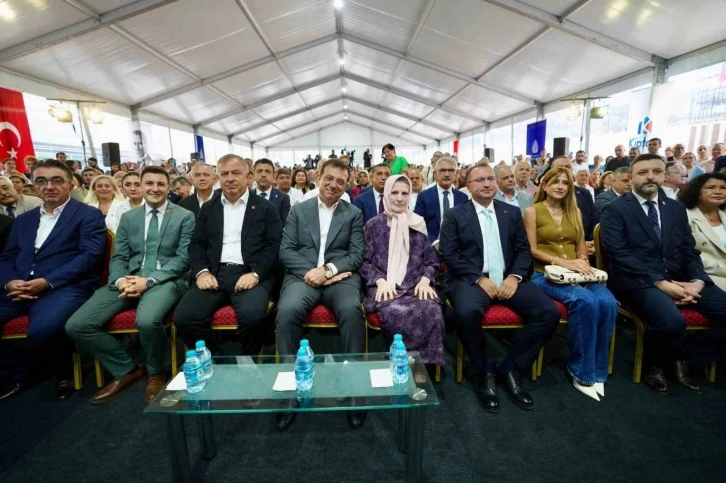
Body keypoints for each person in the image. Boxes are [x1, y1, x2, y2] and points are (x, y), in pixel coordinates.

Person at [66, 167, 195, 404]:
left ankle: (156, 371)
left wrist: (149, 280)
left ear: (168, 187)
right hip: (128, 278)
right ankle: (127, 369)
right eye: (149, 183)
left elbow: (183, 259)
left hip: (166, 279)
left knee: (146, 320)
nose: (155, 188)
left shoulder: (184, 216)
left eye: (160, 184)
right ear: (140, 186)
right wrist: (120, 280)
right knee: (77, 325)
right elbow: (119, 257)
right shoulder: (129, 217)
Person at [600, 154, 726, 395]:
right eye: (643, 172)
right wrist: (660, 283)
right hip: (638, 280)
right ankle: (654, 364)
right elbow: (619, 255)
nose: (650, 177)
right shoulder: (615, 209)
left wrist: (698, 281)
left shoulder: (675, 208)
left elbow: (689, 250)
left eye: (656, 172)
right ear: (631, 177)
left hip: (682, 278)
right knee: (672, 322)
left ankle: (684, 356)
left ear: (664, 176)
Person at [440, 164, 560, 413]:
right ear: (468, 186)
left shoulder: (511, 212)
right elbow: (450, 255)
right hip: (471, 279)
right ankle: (484, 371)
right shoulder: (454, 215)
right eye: (479, 180)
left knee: (549, 312)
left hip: (508, 278)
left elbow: (523, 250)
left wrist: (514, 277)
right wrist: (479, 279)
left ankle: (510, 368)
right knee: (466, 313)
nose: (486, 183)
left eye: (490, 178)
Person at [0, 160, 107, 401]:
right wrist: (10, 282)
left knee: (43, 328)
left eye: (57, 180)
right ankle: (16, 374)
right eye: (41, 181)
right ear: (33, 185)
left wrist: (47, 281)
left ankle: (63, 371)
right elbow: (7, 257)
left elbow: (89, 256)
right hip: (19, 286)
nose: (49, 186)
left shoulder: (88, 215)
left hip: (64, 286)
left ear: (70, 185)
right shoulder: (24, 220)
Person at [276, 157, 366, 431]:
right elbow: (286, 251)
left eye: (340, 181)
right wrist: (313, 273)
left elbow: (356, 254)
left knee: (352, 310)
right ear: (318, 177)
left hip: (340, 278)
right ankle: (292, 388)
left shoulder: (353, 214)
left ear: (347, 185)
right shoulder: (299, 210)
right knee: (287, 311)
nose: (334, 185)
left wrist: (327, 271)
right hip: (302, 276)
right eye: (329, 178)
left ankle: (353, 389)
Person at [174, 155, 282, 357]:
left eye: (236, 173)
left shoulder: (266, 208)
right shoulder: (209, 208)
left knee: (252, 317)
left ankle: (246, 362)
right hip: (214, 273)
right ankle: (216, 360)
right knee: (184, 318)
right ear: (218, 178)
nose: (230, 178)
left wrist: (256, 274)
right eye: (224, 174)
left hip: (251, 273)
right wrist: (202, 272)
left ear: (248, 177)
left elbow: (274, 246)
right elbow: (197, 245)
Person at [523, 167, 617, 401]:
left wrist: (583, 260)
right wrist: (564, 263)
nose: (560, 186)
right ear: (544, 185)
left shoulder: (574, 211)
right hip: (544, 274)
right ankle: (581, 371)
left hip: (577, 272)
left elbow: (580, 245)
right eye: (555, 182)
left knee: (608, 302)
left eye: (565, 183)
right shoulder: (532, 211)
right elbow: (531, 250)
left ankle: (597, 371)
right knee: (585, 301)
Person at [360, 175, 444, 371]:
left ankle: (421, 366)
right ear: (386, 194)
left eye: (404, 193)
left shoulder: (418, 223)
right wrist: (379, 281)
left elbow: (432, 260)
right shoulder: (373, 225)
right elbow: (364, 262)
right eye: (394, 193)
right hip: (385, 286)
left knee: (432, 310)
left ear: (410, 196)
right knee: (394, 311)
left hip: (415, 285)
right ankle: (400, 362)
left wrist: (425, 280)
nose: (399, 198)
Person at [679, 173, 726, 291]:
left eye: (723, 188)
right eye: (711, 187)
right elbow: (686, 255)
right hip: (704, 274)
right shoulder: (683, 215)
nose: (718, 192)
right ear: (696, 192)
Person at [414, 157, 468, 249]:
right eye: (442, 170)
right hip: (431, 247)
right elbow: (417, 224)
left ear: (456, 175)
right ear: (435, 174)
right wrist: (434, 242)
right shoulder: (424, 196)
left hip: (457, 248)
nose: (447, 174)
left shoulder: (462, 197)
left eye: (451, 170)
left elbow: (465, 226)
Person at [549, 157, 598, 254]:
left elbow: (593, 219)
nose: (564, 170)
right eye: (560, 167)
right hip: (557, 249)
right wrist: (580, 245)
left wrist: (591, 242)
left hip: (587, 246)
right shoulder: (546, 194)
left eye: (568, 167)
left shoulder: (585, 193)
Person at [252, 158, 291, 226]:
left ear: (273, 176)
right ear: (254, 175)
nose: (263, 175)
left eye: (267, 171)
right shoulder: (247, 196)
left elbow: (284, 225)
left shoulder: (283, 198)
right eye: (259, 171)